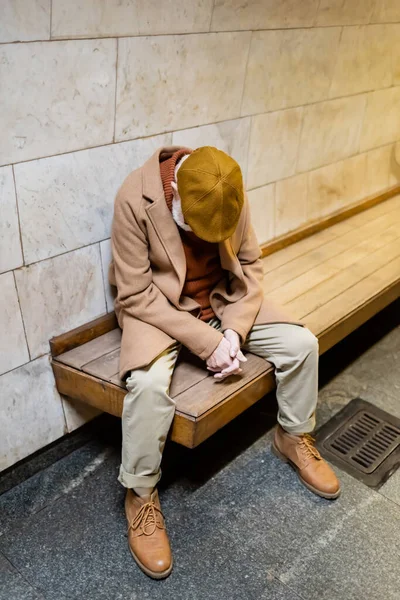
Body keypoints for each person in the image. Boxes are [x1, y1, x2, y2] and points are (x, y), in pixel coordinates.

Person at [109, 145, 340, 580]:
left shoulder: (227, 188)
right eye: (194, 226)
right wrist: (206, 342)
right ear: (173, 190)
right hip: (159, 311)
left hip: (222, 301)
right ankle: (140, 495)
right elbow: (134, 294)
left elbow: (250, 266)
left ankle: (294, 436)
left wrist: (233, 331)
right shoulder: (132, 198)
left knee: (301, 344)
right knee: (147, 387)